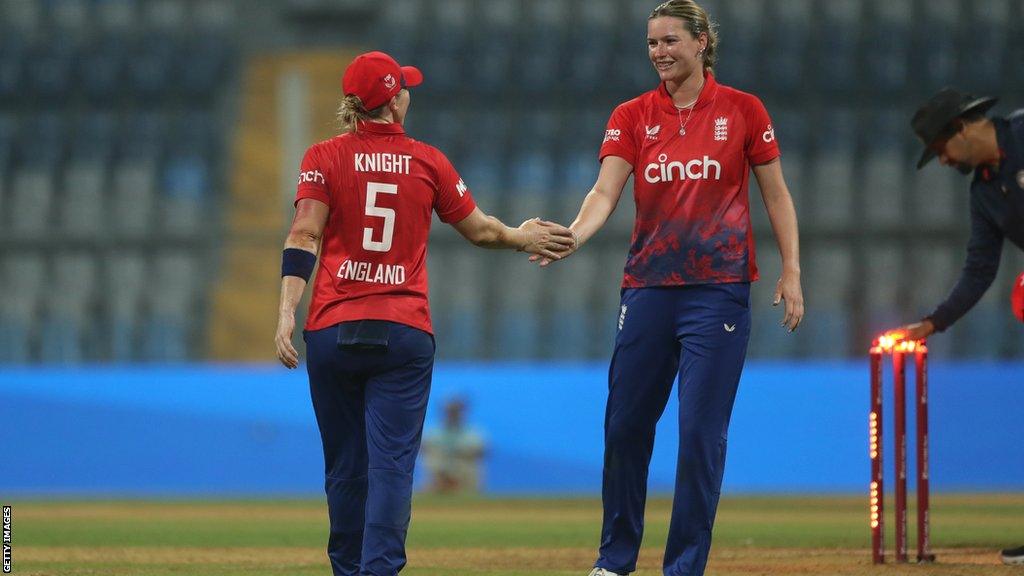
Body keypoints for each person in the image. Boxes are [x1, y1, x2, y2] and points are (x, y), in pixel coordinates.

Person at [274, 51, 574, 576]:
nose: (408, 94)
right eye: (404, 89)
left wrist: (284, 314)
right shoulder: (427, 160)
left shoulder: (322, 156)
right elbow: (482, 231)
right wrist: (523, 235)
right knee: (391, 465)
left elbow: (304, 233)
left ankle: (347, 568)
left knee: (345, 466)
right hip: (403, 330)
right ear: (393, 101)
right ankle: (381, 569)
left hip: (333, 326)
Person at [532, 2, 804, 575]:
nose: (658, 51)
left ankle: (683, 567)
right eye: (651, 42)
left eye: (670, 40)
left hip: (719, 290)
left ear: (702, 41)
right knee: (625, 425)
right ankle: (615, 560)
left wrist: (792, 271)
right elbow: (604, 193)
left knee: (700, 434)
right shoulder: (631, 115)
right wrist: (576, 236)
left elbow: (776, 195)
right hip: (648, 289)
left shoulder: (744, 110)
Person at [885, 87, 1024, 566]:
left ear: (961, 129)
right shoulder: (985, 193)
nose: (942, 161)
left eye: (940, 149)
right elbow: (980, 268)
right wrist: (932, 323)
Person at [422, 397, 486, 493]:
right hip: (439, 475)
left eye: (456, 411)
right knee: (433, 458)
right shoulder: (433, 433)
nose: (453, 414)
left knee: (468, 467)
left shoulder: (472, 433)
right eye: (450, 411)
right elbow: (424, 450)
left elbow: (480, 452)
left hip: (464, 476)